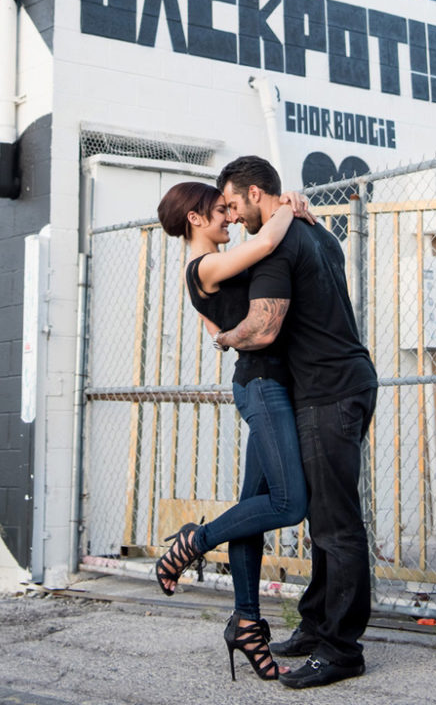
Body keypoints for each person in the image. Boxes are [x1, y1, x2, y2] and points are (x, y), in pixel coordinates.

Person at [218, 156, 378, 690]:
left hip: (328, 391)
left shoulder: (280, 241)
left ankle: (341, 649)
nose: (236, 219)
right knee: (325, 519)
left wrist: (226, 337)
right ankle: (315, 626)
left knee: (336, 524)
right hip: (349, 380)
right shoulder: (314, 231)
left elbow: (264, 329)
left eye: (236, 205)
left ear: (258, 193)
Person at [155, 180, 310, 682]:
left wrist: (226, 336)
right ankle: (193, 542)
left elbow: (216, 333)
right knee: (290, 504)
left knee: (252, 510)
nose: (229, 217)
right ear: (195, 220)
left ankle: (246, 621)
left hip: (268, 385)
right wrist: (287, 205)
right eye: (219, 211)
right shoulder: (202, 266)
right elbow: (265, 244)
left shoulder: (211, 271)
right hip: (263, 389)